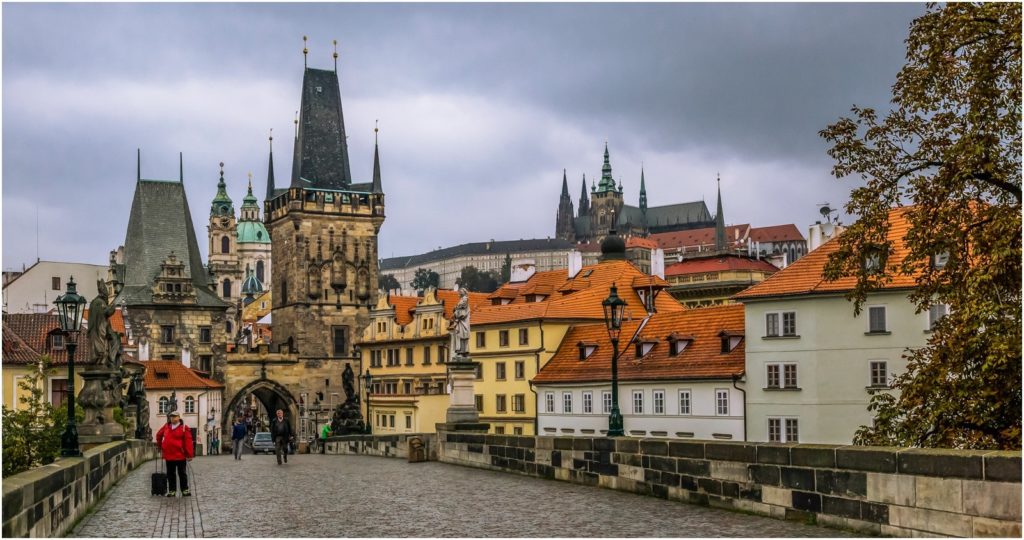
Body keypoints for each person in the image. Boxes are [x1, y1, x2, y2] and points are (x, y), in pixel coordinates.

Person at [155, 411, 194, 497]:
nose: (172, 418)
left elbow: (188, 442)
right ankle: (172, 490)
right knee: (170, 473)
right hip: (169, 455)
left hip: (180, 455)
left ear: (179, 417)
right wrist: (160, 446)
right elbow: (159, 435)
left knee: (182, 473)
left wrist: (189, 454)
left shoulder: (184, 427)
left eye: (175, 416)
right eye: (171, 416)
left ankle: (184, 490)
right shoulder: (166, 426)